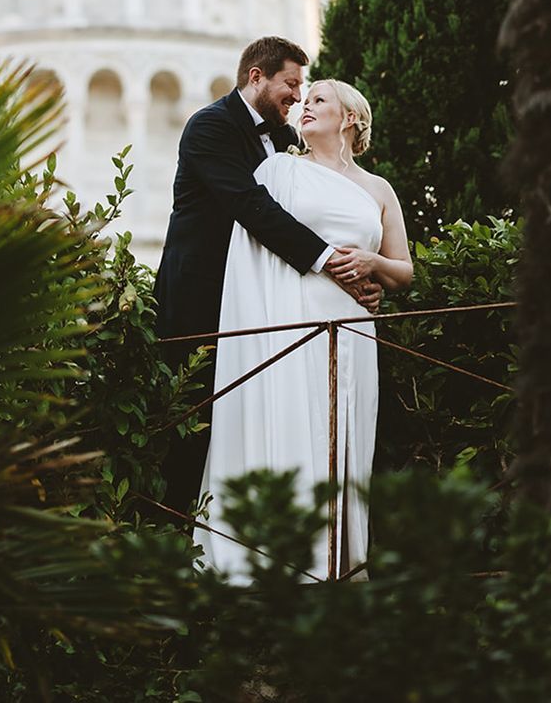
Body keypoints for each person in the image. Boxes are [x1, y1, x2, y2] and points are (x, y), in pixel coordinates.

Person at [195, 78, 413, 581]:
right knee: (291, 418)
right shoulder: (279, 171)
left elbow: (404, 270)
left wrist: (373, 260)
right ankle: (282, 560)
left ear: (351, 118)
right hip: (289, 317)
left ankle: (338, 560)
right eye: (303, 99)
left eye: (318, 100)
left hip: (353, 324)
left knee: (342, 434)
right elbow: (259, 245)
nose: (303, 106)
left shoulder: (378, 189)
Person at [154, 39, 381, 513]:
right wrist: (331, 263)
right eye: (292, 84)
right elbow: (251, 207)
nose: (298, 96)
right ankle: (184, 536)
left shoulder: (282, 142)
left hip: (267, 300)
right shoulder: (210, 126)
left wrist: (362, 264)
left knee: (272, 419)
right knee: (199, 422)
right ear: (257, 77)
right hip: (204, 297)